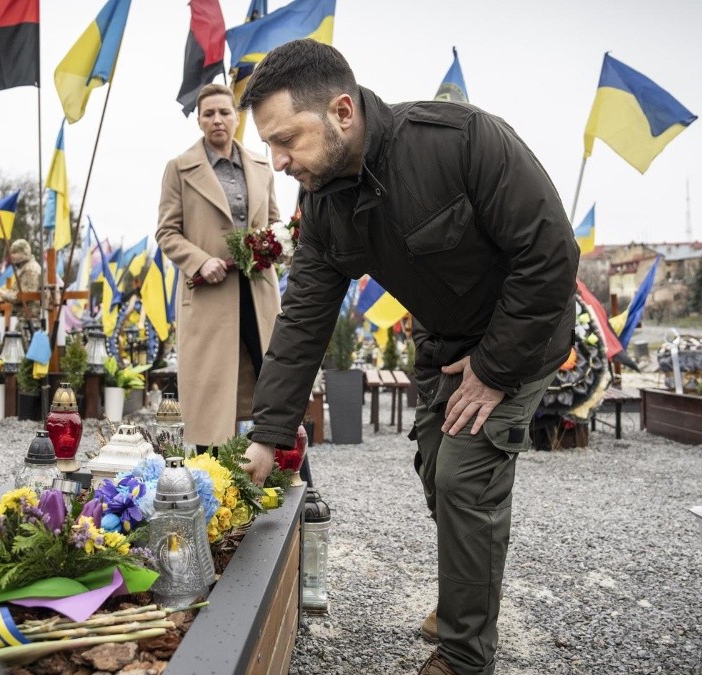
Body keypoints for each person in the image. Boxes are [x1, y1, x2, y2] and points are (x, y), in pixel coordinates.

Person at [236, 41, 579, 675]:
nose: (278, 162)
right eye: (270, 147)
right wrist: (269, 434)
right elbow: (305, 317)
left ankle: (463, 655)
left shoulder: (461, 141)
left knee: (464, 479)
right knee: (433, 471)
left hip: (523, 333)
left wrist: (494, 368)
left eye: (287, 140)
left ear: (342, 110)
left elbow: (551, 255)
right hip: (445, 345)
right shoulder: (323, 205)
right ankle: (463, 597)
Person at [155, 83, 283, 449]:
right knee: (211, 395)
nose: (217, 120)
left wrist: (274, 244)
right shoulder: (179, 169)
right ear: (198, 120)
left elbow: (273, 222)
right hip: (210, 295)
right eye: (208, 114)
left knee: (274, 381)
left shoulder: (262, 166)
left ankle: (292, 473)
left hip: (259, 293)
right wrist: (199, 260)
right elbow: (166, 232)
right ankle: (210, 483)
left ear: (237, 117)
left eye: (224, 112)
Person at [0, 239, 42, 326]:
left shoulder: (30, 269)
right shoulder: (24, 268)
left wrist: (6, 295)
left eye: (14, 253)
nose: (12, 256)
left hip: (30, 318)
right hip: (24, 316)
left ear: (22, 253)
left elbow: (26, 294)